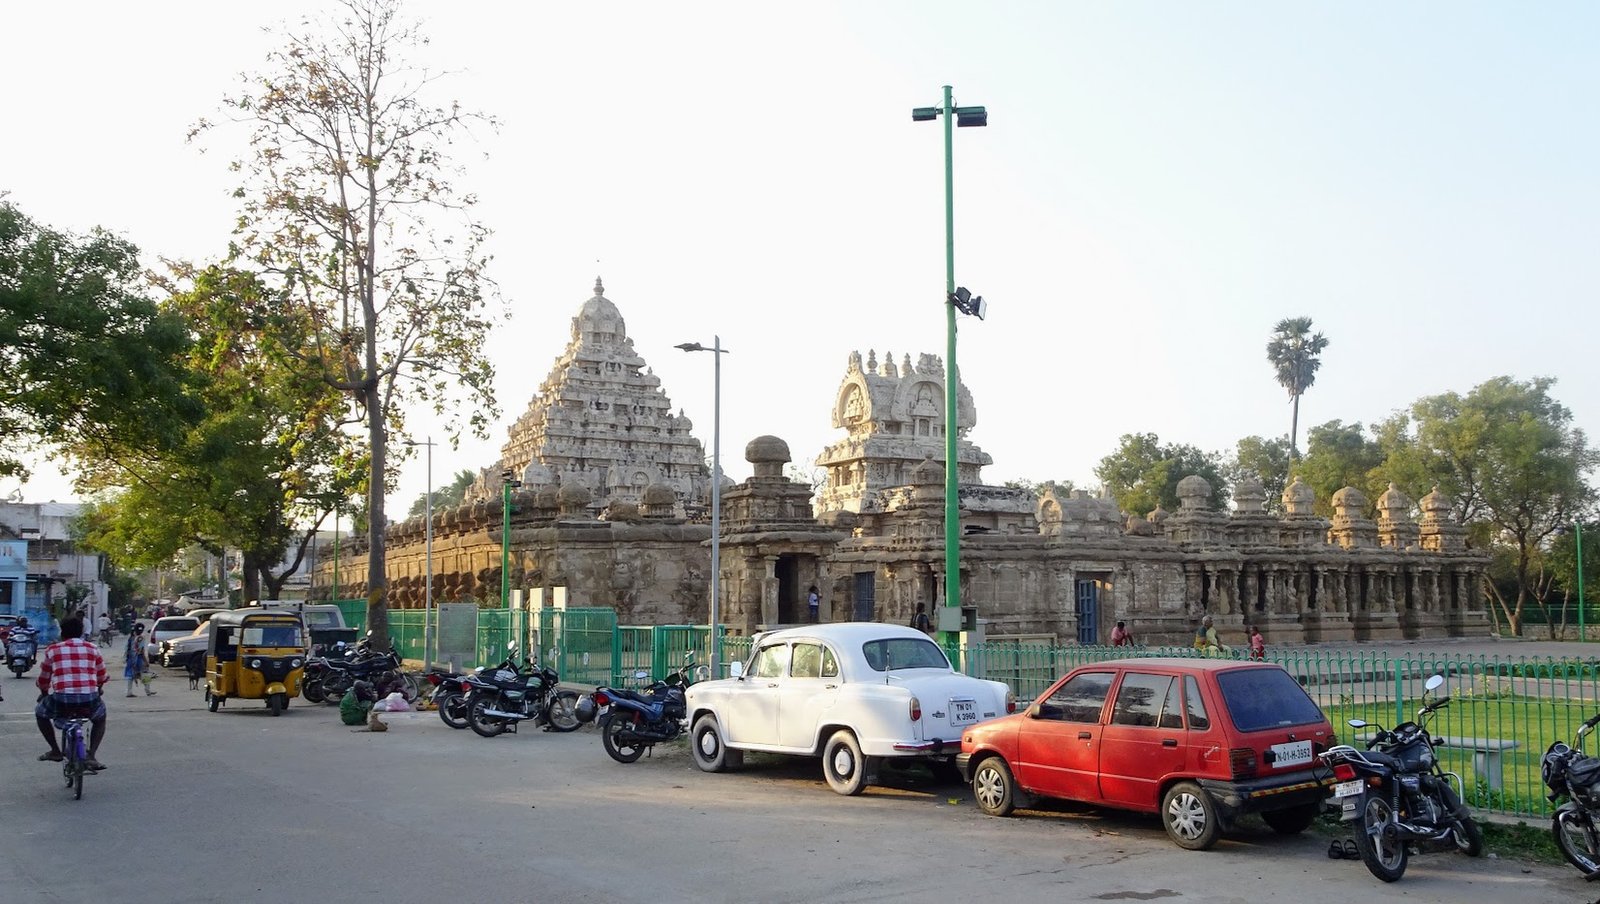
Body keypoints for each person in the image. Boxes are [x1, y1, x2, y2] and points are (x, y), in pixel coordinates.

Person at [34, 614, 109, 770]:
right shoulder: (93, 648)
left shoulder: (53, 650)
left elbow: (44, 679)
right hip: (89, 698)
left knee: (40, 712)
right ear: (81, 632)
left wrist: (44, 693)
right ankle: (91, 755)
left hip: (62, 699)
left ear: (62, 632)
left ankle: (55, 751)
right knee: (100, 718)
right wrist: (99, 689)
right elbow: (101, 676)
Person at [123, 623, 156, 697]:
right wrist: (146, 661)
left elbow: (127, 649)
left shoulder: (131, 638)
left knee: (131, 675)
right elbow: (141, 651)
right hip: (138, 659)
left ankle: (129, 691)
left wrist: (126, 658)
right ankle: (148, 690)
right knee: (144, 674)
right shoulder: (141, 638)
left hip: (131, 659)